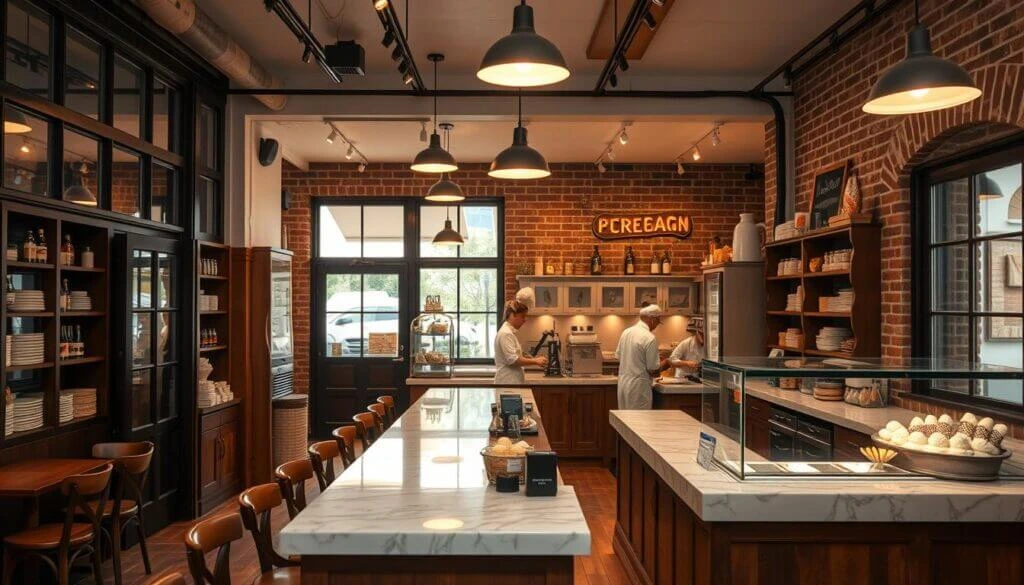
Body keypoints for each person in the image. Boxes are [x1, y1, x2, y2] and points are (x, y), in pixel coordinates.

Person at [615, 304, 670, 409]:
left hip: (623, 384)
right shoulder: (649, 338)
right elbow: (653, 370)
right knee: (639, 422)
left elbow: (618, 356)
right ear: (653, 319)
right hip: (639, 388)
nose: (657, 326)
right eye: (658, 322)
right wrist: (667, 363)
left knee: (624, 421)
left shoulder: (626, 332)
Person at [494, 299, 547, 385]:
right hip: (508, 383)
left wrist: (529, 357)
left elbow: (513, 355)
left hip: (511, 382)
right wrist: (535, 361)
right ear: (512, 315)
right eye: (522, 316)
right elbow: (513, 360)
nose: (524, 320)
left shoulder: (508, 332)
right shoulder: (506, 334)